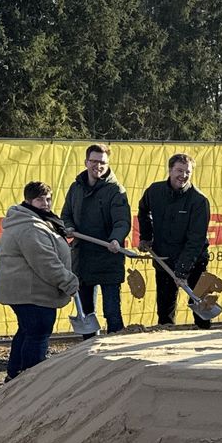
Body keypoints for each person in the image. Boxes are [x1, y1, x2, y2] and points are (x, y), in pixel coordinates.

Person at [0, 182, 80, 381]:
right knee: (38, 331)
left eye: (48, 198)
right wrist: (68, 281)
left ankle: (15, 375)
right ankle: (31, 380)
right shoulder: (30, 227)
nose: (45, 203)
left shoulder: (34, 221)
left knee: (27, 331)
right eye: (40, 199)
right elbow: (46, 263)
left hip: (25, 290)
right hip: (31, 292)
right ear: (28, 201)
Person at [61, 143, 131, 339]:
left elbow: (122, 221)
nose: (98, 166)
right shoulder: (76, 188)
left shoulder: (115, 190)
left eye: (102, 162)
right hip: (82, 258)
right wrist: (69, 227)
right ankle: (89, 355)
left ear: (107, 164)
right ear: (86, 162)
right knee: (86, 313)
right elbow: (66, 214)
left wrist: (116, 239)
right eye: (94, 161)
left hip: (109, 257)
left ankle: (118, 352)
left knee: (112, 312)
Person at [137, 153, 212, 328]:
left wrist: (182, 270)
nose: (183, 176)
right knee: (165, 310)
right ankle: (166, 340)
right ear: (170, 170)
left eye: (188, 172)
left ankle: (204, 339)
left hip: (194, 261)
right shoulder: (154, 191)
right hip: (164, 259)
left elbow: (196, 239)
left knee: (201, 308)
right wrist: (146, 237)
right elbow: (143, 210)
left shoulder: (199, 201)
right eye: (179, 170)